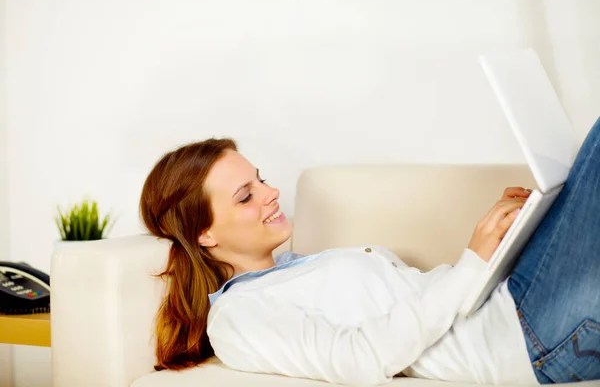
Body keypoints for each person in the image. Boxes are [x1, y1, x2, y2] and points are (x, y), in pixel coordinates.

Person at [139, 117, 600, 385]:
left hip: (513, 304)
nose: (271, 192)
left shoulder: (292, 271)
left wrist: (502, 243)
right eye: (245, 196)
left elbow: (428, 300)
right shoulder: (239, 316)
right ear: (204, 235)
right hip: (524, 337)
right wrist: (471, 262)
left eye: (260, 178)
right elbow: (358, 358)